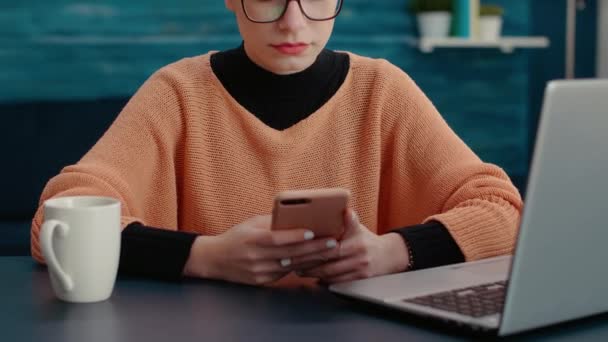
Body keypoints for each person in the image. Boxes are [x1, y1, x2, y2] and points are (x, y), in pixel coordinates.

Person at [31, 0, 523, 287]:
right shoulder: (177, 92)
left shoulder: (383, 91)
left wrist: (393, 252)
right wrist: (206, 256)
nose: (293, 22)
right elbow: (56, 219)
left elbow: (503, 211)